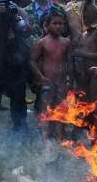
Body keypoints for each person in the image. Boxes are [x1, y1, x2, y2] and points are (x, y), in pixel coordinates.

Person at [0, 0, 31, 134]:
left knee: (18, 94)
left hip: (17, 57)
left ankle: (19, 127)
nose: (7, 5)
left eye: (9, 2)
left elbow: (26, 32)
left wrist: (15, 18)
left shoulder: (20, 12)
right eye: (3, 3)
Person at [30, 7, 72, 140]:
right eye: (55, 23)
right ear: (47, 26)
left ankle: (60, 137)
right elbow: (32, 61)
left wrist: (69, 78)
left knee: (61, 109)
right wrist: (40, 77)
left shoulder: (66, 42)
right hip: (47, 82)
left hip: (61, 82)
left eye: (61, 23)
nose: (58, 26)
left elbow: (69, 61)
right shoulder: (42, 42)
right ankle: (45, 137)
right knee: (46, 110)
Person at [73, 2, 97, 102]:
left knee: (94, 101)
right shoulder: (84, 34)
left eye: (89, 15)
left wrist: (83, 54)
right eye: (84, 15)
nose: (86, 17)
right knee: (84, 102)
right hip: (84, 74)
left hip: (95, 75)